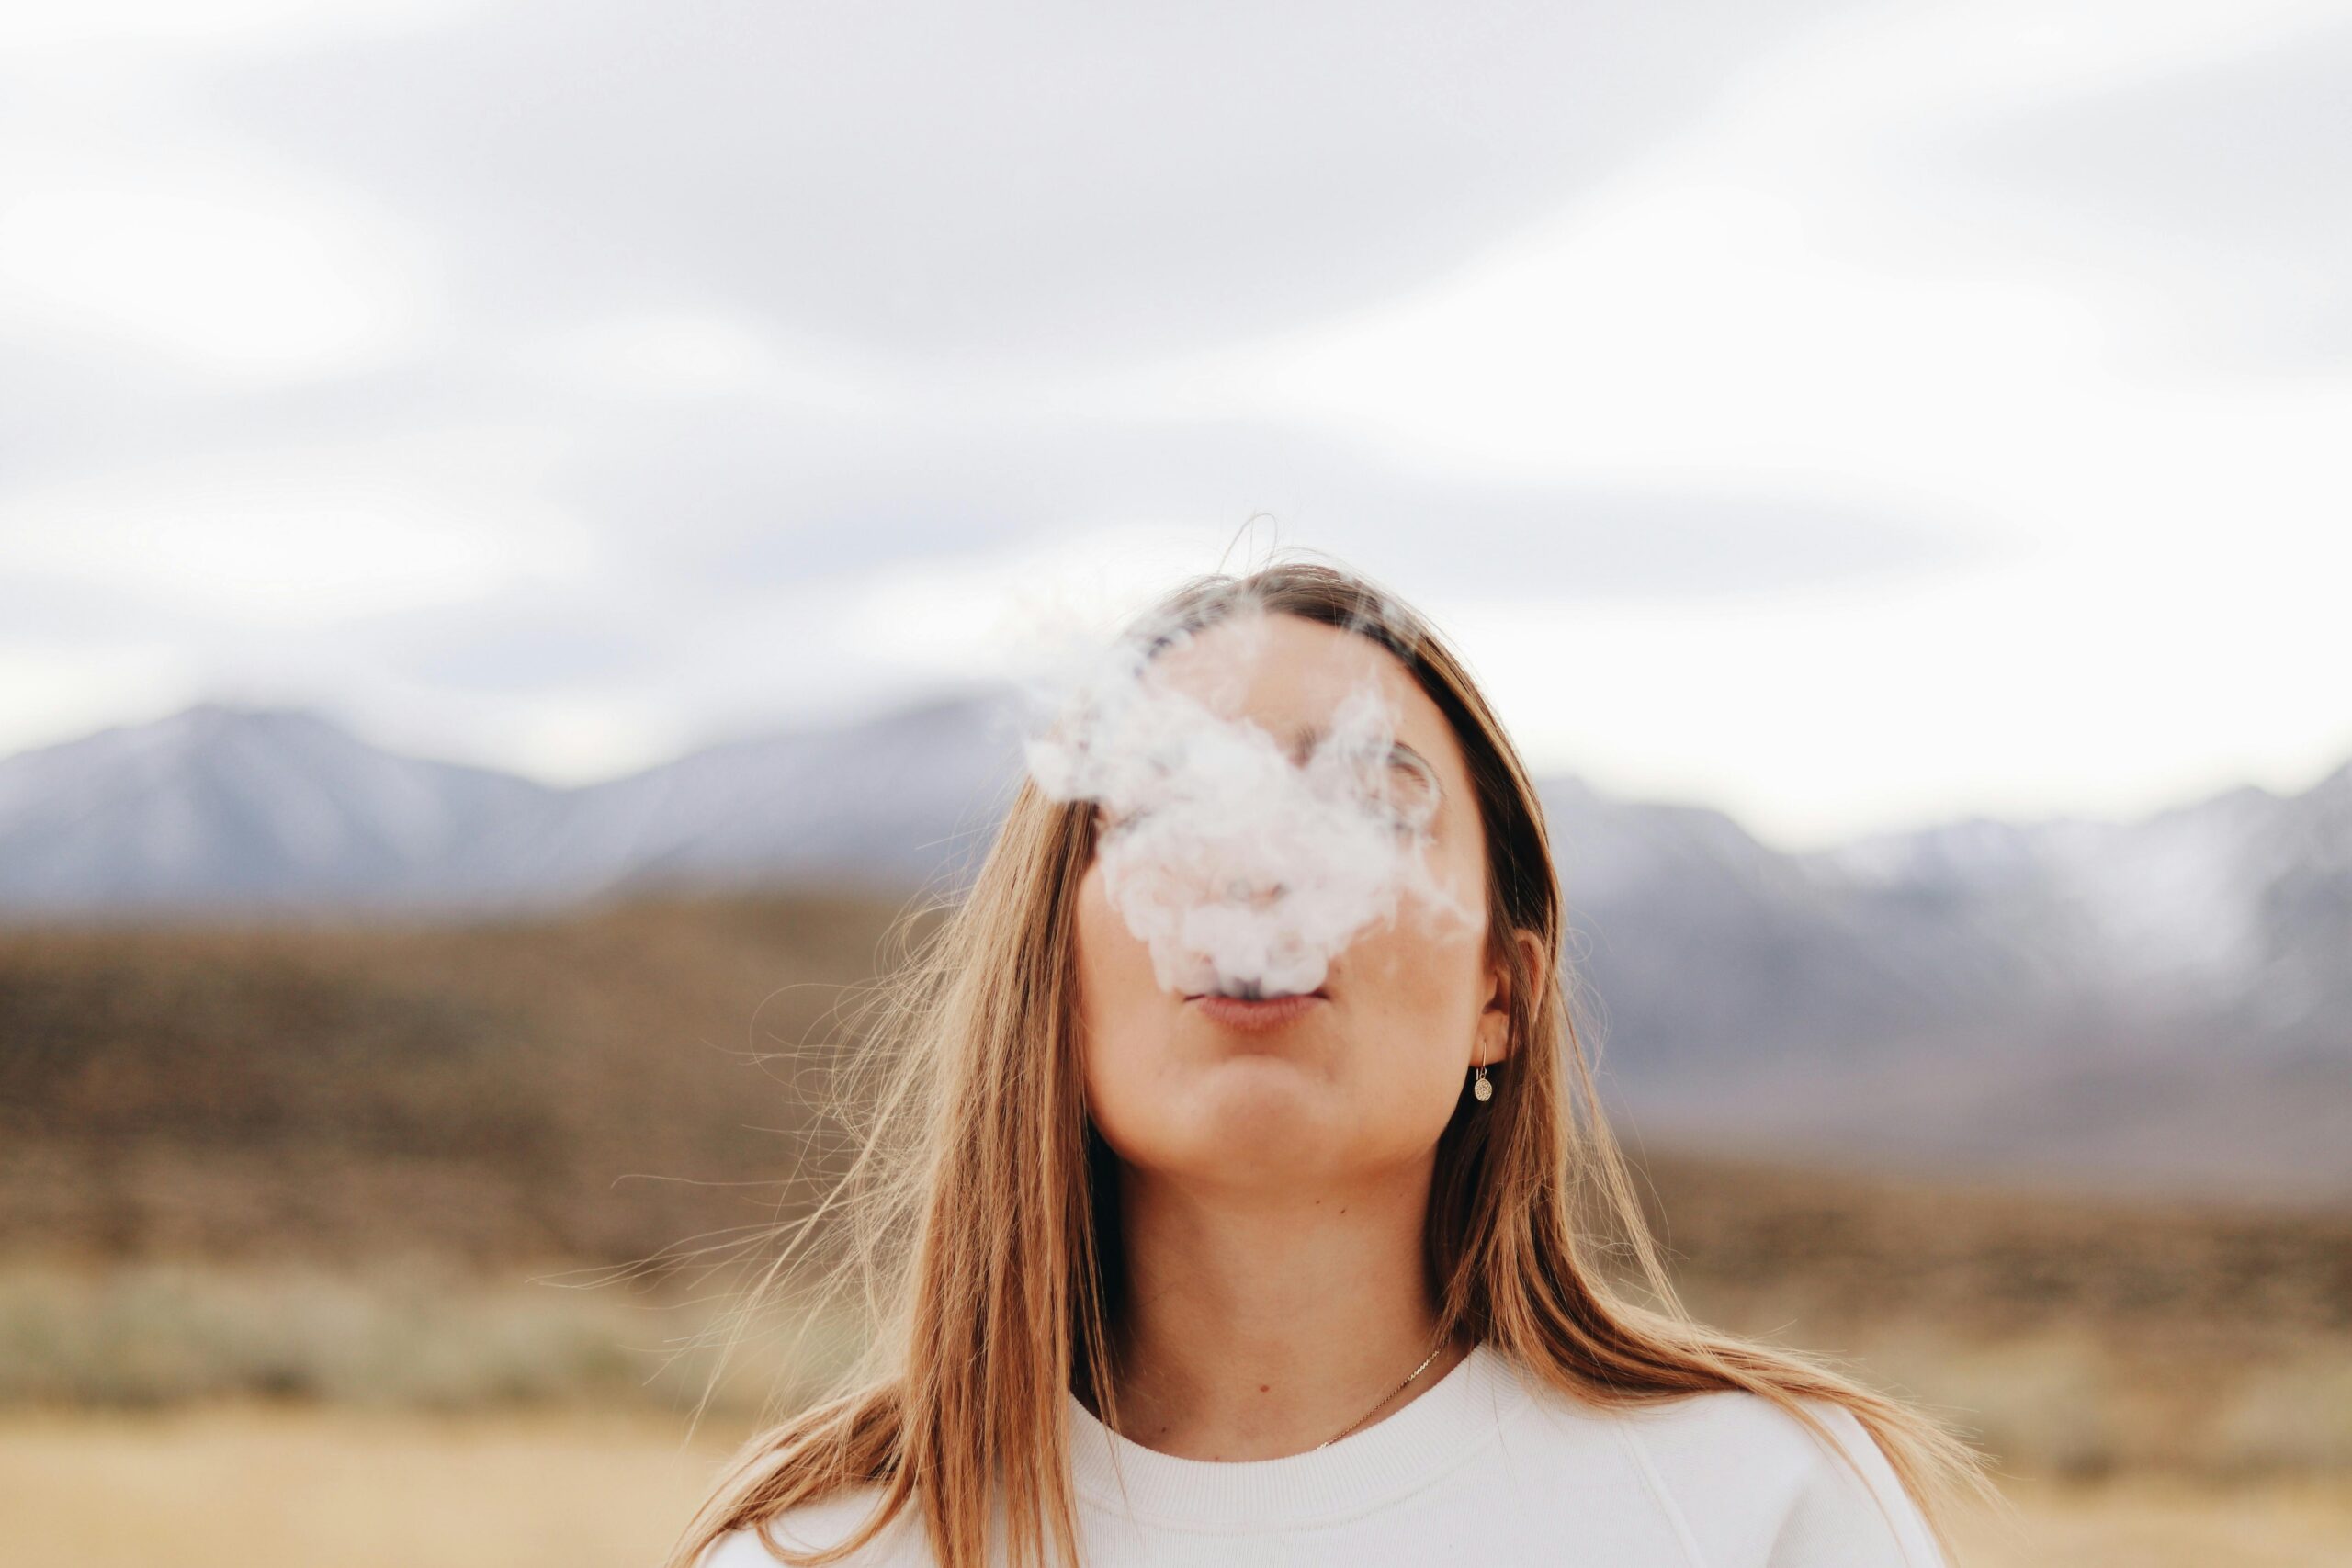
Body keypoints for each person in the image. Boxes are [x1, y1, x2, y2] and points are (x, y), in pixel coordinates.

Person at [666, 558, 1999, 1568]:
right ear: (1050, 977)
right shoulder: (831, 1547)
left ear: (1500, 993)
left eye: (1367, 798)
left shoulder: (1758, 1510)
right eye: (1170, 797)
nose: (1260, 865)